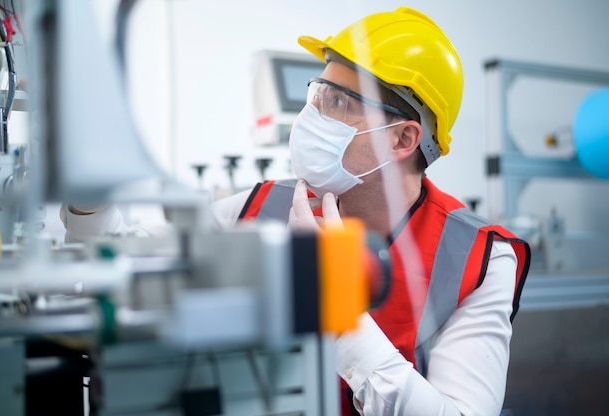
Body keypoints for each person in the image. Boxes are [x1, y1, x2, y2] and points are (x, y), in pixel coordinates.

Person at [62, 6, 530, 415]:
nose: (313, 116)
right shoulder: (262, 206)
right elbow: (126, 271)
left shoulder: (477, 259)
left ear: (403, 139)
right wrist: (89, 199)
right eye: (318, 93)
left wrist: (336, 305)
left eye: (339, 102)